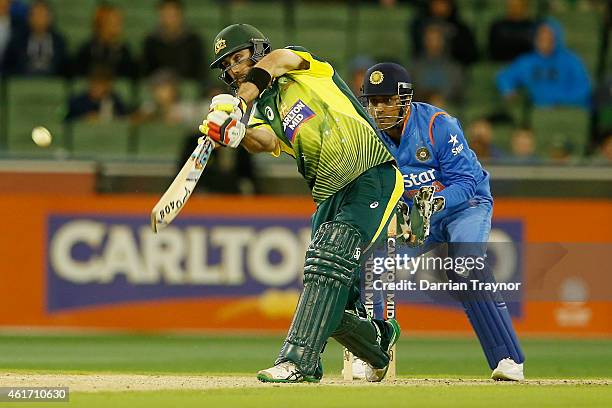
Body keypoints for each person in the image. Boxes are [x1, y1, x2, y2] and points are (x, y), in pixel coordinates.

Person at [201, 23, 403, 383]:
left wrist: (238, 103)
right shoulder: (264, 107)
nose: (234, 68)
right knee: (326, 292)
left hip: (369, 171)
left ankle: (299, 362)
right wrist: (236, 132)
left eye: (238, 56)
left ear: (258, 49)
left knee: (330, 260)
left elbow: (278, 61)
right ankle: (378, 341)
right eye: (227, 65)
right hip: (327, 193)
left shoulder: (299, 66)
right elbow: (263, 141)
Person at [358, 62, 525, 381]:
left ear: (403, 100)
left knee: (466, 266)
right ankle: (374, 357)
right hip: (418, 216)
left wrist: (433, 203)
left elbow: (464, 182)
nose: (378, 109)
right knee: (375, 269)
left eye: (385, 101)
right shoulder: (369, 135)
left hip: (466, 205)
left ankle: (508, 359)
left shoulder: (438, 124)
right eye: (373, 101)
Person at [496, 18, 591, 109]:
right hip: (538, 111)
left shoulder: (571, 60)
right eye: (541, 36)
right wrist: (507, 89)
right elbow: (505, 76)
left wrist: (559, 101)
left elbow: (583, 88)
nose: (545, 40)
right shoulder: (527, 61)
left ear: (557, 38)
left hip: (567, 110)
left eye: (549, 36)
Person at [142, 0, 205, 81]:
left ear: (181, 14)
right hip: (158, 86)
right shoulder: (151, 41)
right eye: (167, 14)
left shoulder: (193, 40)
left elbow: (200, 72)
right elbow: (146, 73)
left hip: (187, 87)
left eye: (174, 14)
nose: (170, 18)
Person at [2, 0, 67, 76]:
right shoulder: (17, 42)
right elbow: (8, 68)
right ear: (29, 18)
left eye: (43, 15)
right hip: (22, 84)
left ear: (50, 18)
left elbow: (64, 69)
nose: (39, 19)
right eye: (35, 14)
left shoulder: (59, 42)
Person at [72, 3, 135, 78]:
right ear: (99, 24)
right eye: (113, 22)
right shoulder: (86, 50)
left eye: (119, 21)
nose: (118, 26)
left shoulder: (125, 51)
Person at [409, 0, 478, 67]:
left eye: (443, 2)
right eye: (436, 2)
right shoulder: (419, 26)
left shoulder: (461, 29)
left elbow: (469, 55)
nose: (439, 6)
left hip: (453, 68)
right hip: (424, 66)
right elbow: (416, 51)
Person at [64, 66, 129, 122]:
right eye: (95, 84)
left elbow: (123, 118)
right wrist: (84, 118)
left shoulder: (114, 100)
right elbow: (66, 121)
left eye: (102, 84)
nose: (97, 88)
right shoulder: (77, 102)